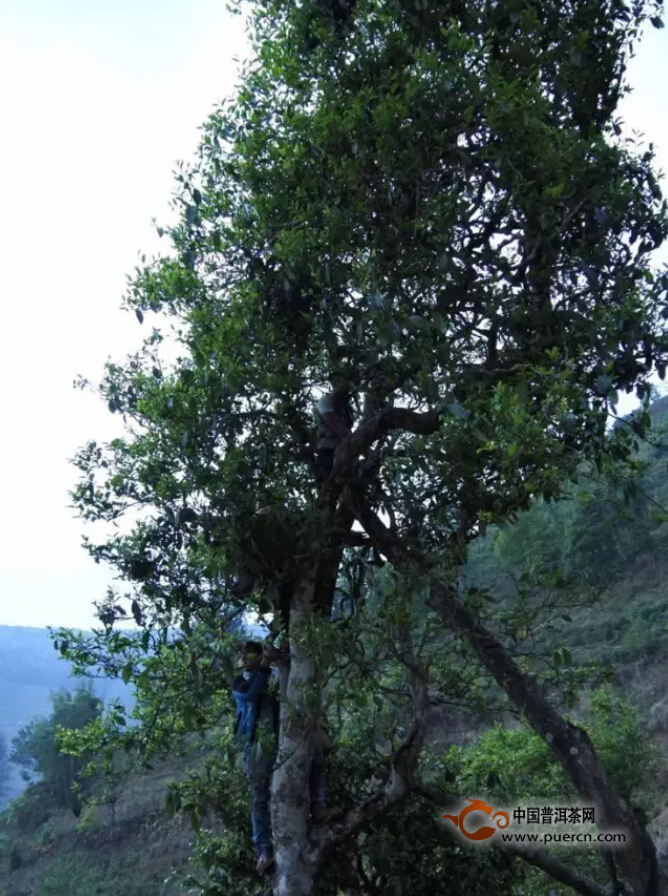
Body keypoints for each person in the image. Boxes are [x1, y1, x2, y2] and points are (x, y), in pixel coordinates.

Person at [232, 641, 333, 876]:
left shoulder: (274, 675)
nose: (245, 659)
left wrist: (281, 659)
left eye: (250, 655)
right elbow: (250, 695)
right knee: (259, 797)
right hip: (256, 745)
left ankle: (319, 807)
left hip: (282, 740)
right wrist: (267, 665)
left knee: (315, 757)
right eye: (243, 656)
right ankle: (263, 852)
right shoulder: (240, 683)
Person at [314, 372, 355, 483]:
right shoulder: (325, 401)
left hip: (345, 452)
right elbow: (336, 426)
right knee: (330, 485)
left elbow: (347, 429)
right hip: (328, 451)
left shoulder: (348, 409)